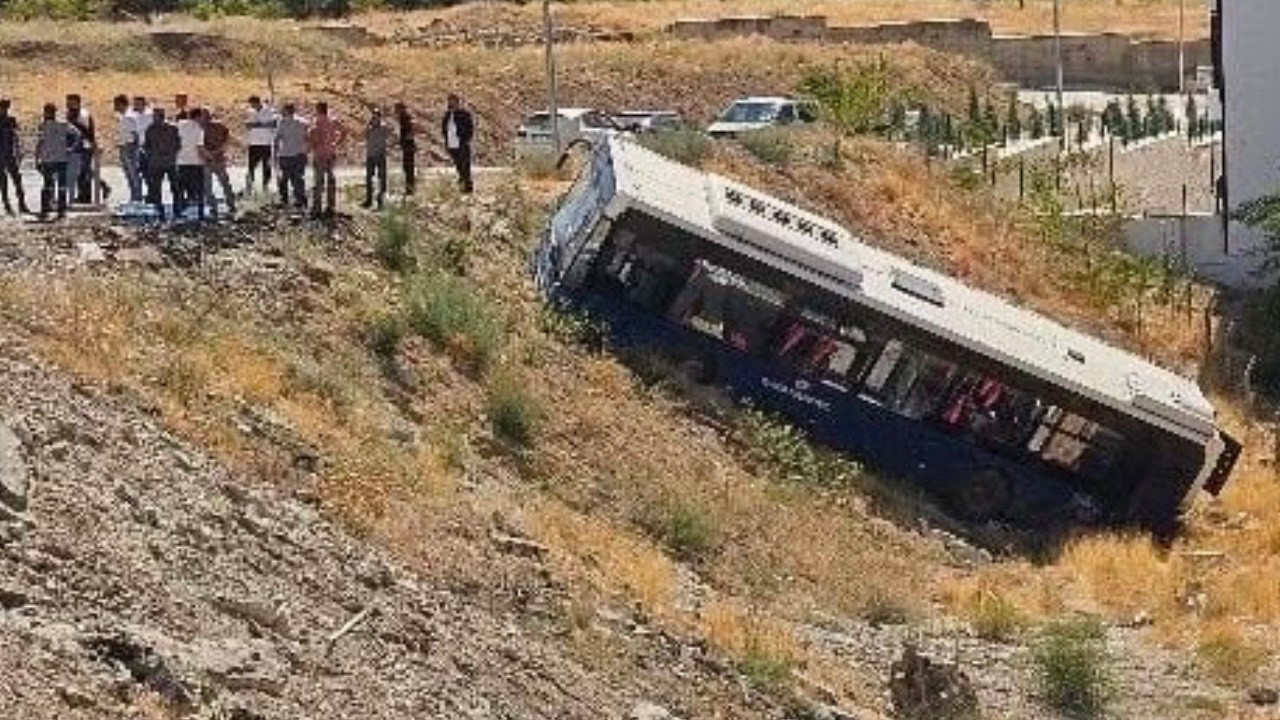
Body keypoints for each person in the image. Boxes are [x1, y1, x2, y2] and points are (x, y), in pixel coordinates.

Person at [35, 103, 74, 221]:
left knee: (47, 185)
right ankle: (61, 211)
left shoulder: (43, 126)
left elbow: (39, 144)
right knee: (62, 186)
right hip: (61, 158)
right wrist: (69, 149)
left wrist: (37, 158)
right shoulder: (64, 125)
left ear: (46, 112)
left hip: (47, 159)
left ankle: (45, 210)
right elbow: (75, 136)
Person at [306, 101, 345, 218]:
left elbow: (313, 136)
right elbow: (344, 131)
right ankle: (330, 206)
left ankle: (317, 208)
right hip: (331, 153)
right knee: (331, 180)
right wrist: (336, 143)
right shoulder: (332, 120)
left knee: (318, 181)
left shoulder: (316, 121)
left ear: (318, 109)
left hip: (319, 154)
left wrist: (310, 147)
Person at [144, 107, 180, 221]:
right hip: (166, 162)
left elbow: (147, 146)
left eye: (155, 116)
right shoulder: (171, 128)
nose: (153, 118)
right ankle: (172, 211)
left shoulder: (152, 129)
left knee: (165, 188)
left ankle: (164, 212)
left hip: (160, 162)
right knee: (168, 188)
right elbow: (178, 145)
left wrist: (152, 155)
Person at [201, 109, 235, 217]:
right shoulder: (198, 129)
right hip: (207, 161)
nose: (204, 119)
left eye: (205, 116)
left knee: (223, 183)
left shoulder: (218, 126)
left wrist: (219, 150)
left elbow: (228, 138)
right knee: (208, 186)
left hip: (216, 159)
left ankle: (230, 204)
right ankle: (214, 207)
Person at [274, 103, 308, 210]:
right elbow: (308, 137)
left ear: (286, 111)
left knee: (284, 178)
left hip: (285, 154)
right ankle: (300, 200)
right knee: (298, 178)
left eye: (283, 110)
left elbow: (277, 139)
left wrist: (274, 154)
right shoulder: (303, 122)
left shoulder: (282, 122)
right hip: (300, 154)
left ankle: (284, 200)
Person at [176, 106, 206, 221]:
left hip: (181, 161)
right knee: (199, 189)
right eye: (202, 116)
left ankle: (179, 212)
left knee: (181, 188)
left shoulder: (179, 124)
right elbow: (200, 148)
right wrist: (208, 158)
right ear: (198, 116)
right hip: (196, 162)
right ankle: (200, 213)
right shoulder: (199, 129)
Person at [0, 99, 30, 215]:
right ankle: (8, 205)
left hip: (9, 154)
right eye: (2, 107)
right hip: (4, 155)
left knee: (16, 180)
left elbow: (16, 138)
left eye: (5, 108)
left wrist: (18, 152)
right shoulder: (10, 121)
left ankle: (21, 204)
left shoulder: (11, 120)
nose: (4, 110)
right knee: (4, 181)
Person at [244, 95, 278, 196]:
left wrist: (258, 125)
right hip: (253, 143)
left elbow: (273, 124)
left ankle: (266, 186)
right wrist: (262, 124)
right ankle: (249, 186)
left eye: (253, 104)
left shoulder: (269, 111)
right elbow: (248, 125)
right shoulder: (250, 112)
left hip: (265, 143)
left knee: (266, 166)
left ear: (257, 102)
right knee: (251, 166)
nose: (252, 106)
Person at [65, 94, 96, 204]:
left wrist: (73, 123)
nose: (68, 104)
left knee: (84, 172)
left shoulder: (83, 115)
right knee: (80, 172)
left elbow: (86, 132)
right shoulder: (71, 114)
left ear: (77, 103)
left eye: (70, 102)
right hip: (76, 147)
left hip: (85, 146)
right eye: (68, 102)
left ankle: (86, 197)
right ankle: (83, 195)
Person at [442, 94, 474, 194]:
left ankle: (468, 187)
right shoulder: (447, 115)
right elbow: (444, 128)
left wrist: (466, 140)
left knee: (465, 166)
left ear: (457, 102)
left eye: (453, 101)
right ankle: (462, 185)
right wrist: (446, 141)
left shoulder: (464, 114)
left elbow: (470, 128)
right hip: (452, 144)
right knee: (458, 166)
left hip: (462, 144)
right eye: (449, 101)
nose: (451, 103)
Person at [114, 95, 143, 204]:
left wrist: (134, 149)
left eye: (116, 104)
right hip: (124, 146)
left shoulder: (129, 117)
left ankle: (137, 197)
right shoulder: (124, 116)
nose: (115, 107)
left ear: (121, 104)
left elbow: (135, 134)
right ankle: (134, 196)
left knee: (133, 173)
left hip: (129, 147)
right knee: (129, 174)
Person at [362, 107, 392, 210]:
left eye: (377, 116)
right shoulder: (369, 128)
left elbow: (388, 134)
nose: (375, 118)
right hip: (370, 155)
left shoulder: (383, 127)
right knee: (369, 179)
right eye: (374, 116)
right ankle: (369, 200)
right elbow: (365, 135)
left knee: (381, 179)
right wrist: (369, 126)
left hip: (380, 155)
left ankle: (381, 200)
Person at [131, 96, 153, 200]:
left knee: (149, 172)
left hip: (149, 147)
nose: (135, 105)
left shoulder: (149, 115)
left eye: (137, 103)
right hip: (140, 147)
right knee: (143, 171)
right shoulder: (136, 116)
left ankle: (153, 193)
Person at [394, 102, 416, 195]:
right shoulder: (403, 118)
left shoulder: (405, 118)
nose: (395, 111)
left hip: (408, 147)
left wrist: (406, 140)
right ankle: (409, 188)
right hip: (407, 146)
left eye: (397, 109)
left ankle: (410, 189)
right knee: (407, 168)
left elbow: (411, 131)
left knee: (408, 168)